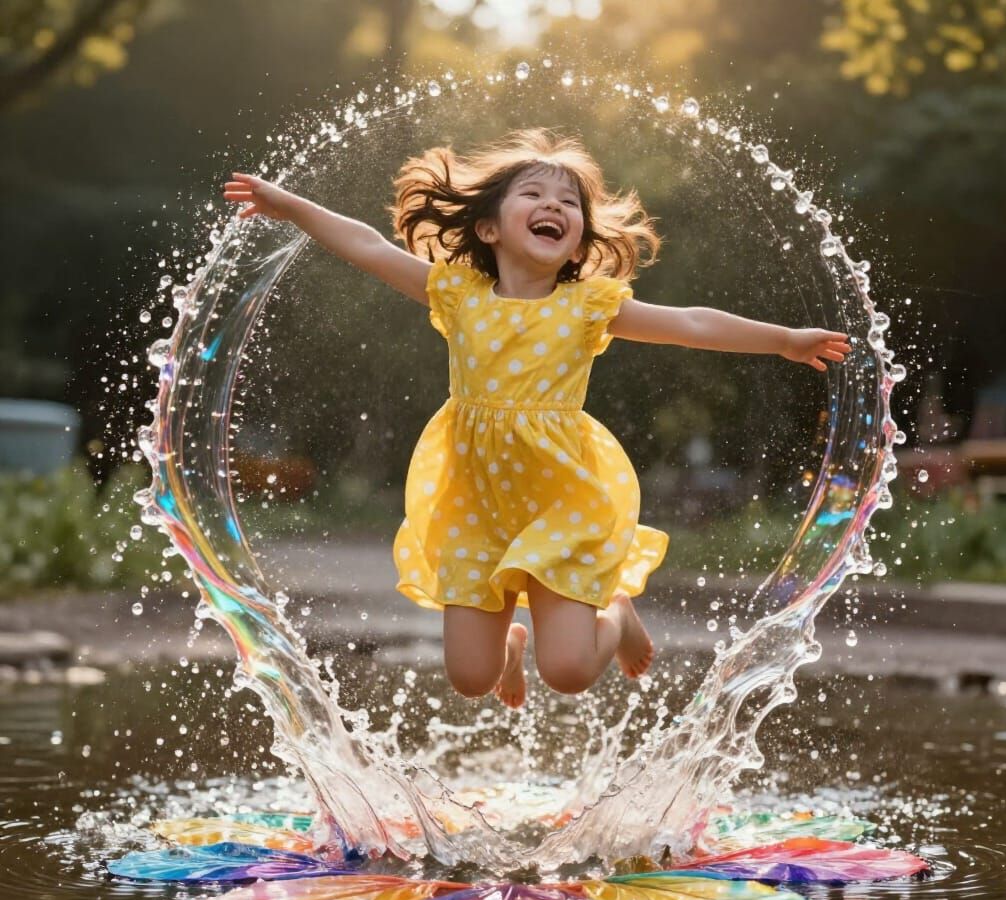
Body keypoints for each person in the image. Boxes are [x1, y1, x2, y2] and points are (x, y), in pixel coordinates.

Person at [223, 128, 850, 711]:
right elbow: (368, 246)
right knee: (471, 680)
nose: (555, 205)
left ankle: (617, 616)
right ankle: (511, 646)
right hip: (474, 500)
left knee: (570, 673)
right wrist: (292, 205)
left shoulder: (587, 307)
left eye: (570, 202)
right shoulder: (458, 295)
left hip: (561, 499)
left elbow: (690, 323)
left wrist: (784, 339)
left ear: (577, 236)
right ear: (490, 228)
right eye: (534, 194)